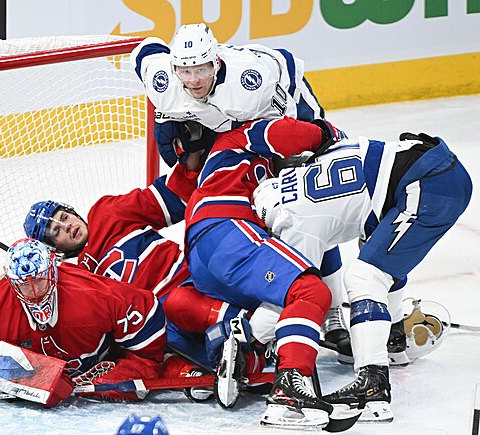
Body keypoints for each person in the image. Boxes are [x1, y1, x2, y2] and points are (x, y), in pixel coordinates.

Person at [130, 22, 351, 360]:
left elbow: (284, 122)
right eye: (185, 71)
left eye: (201, 69)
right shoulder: (164, 81)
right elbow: (145, 50)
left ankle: (333, 312)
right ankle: (277, 317)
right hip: (225, 171)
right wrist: (168, 123)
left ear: (216, 62)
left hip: (283, 100)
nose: (194, 79)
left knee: (309, 205)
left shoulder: (250, 84)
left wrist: (318, 139)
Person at [253, 132, 472, 422]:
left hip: (427, 183)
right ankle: (391, 340)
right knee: (377, 264)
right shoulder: (313, 170)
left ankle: (373, 386)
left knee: (364, 277)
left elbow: (293, 295)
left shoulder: (291, 215)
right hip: (437, 172)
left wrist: (249, 334)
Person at [22, 164, 263, 403]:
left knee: (179, 303)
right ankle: (211, 374)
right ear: (53, 249)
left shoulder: (106, 213)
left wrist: (192, 164)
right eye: (57, 231)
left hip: (192, 282)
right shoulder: (72, 278)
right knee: (155, 349)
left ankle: (258, 330)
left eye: (64, 217)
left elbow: (167, 196)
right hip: (158, 321)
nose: (67, 227)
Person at [181, 115, 355, 429]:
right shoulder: (237, 137)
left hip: (209, 256)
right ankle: (289, 392)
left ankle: (242, 350)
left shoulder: (250, 167)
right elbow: (289, 132)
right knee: (309, 290)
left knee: (292, 287)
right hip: (228, 231)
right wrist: (330, 134)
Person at [0, 238, 168, 406]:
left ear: (53, 269)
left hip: (101, 357)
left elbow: (147, 309)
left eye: (40, 281)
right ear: (12, 282)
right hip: (63, 355)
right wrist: (36, 378)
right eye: (24, 285)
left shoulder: (93, 294)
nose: (34, 292)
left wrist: (140, 366)